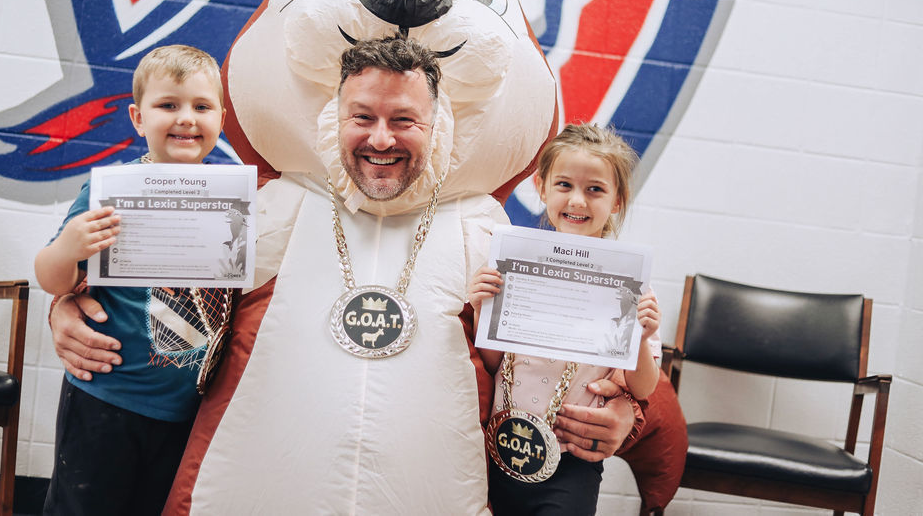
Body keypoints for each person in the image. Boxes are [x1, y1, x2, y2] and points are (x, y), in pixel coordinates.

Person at [49, 38, 643, 513]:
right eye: (363, 116)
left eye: (404, 120)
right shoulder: (270, 205)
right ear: (335, 119)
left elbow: (584, 345)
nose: (381, 138)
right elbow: (160, 274)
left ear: (437, 127)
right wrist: (67, 299)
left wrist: (631, 413)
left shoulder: (489, 232)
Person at [36, 44, 227, 515]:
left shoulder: (236, 199)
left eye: (202, 107)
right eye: (169, 105)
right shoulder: (106, 191)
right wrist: (68, 249)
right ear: (138, 118)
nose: (187, 118)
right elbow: (52, 279)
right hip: (106, 396)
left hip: (187, 410)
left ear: (221, 117)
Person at [469, 122, 661, 515]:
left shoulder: (632, 285)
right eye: (564, 185)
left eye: (595, 189)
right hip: (498, 446)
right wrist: (481, 308)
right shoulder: (514, 264)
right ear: (541, 187)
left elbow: (643, 387)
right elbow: (492, 364)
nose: (577, 201)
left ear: (618, 200)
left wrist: (641, 339)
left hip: (572, 458)